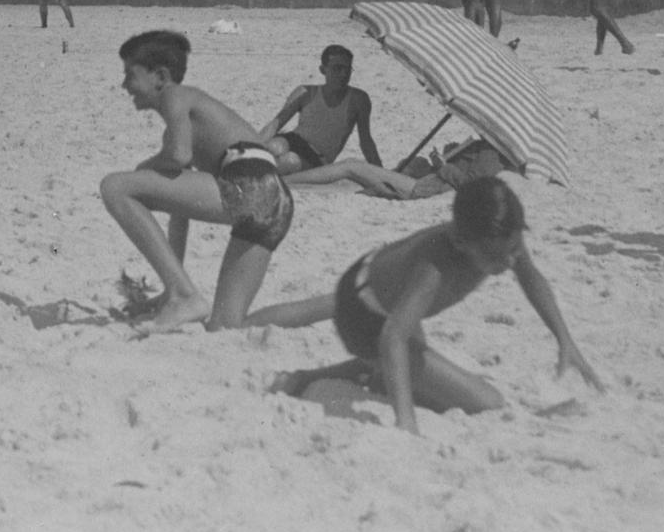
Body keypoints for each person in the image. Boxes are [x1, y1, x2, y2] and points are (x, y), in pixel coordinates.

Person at [259, 179, 607, 436]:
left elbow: (531, 278)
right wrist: (405, 422)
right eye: (498, 256)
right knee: (486, 403)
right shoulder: (435, 269)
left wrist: (565, 339)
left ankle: (313, 377)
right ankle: (307, 380)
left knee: (423, 382)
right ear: (460, 242)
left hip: (376, 287)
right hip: (365, 317)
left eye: (514, 248)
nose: (510, 260)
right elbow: (392, 338)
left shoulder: (499, 236)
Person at [96, 31, 284, 327]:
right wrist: (172, 285)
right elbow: (180, 212)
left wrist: (143, 167)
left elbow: (179, 156)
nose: (124, 85)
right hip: (275, 200)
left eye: (130, 75)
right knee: (226, 324)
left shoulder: (175, 95)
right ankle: (332, 306)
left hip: (248, 183)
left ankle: (183, 295)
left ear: (160, 76)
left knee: (115, 187)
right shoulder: (185, 119)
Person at [262, 44, 418, 195]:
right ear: (323, 70)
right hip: (294, 139)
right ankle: (248, 169)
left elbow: (365, 140)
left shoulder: (358, 99)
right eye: (337, 68)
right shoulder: (305, 92)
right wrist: (251, 147)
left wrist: (380, 173)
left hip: (317, 157)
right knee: (273, 147)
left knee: (290, 161)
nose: (343, 74)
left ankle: (258, 178)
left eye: (347, 69)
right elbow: (276, 123)